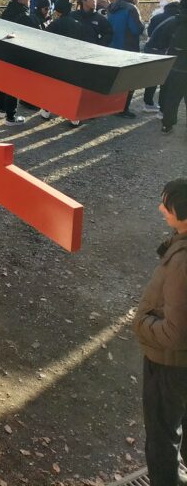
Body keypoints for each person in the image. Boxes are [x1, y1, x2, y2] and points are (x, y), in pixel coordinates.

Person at [133, 179, 187, 485]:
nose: (161, 209)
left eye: (167, 206)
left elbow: (174, 333)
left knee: (162, 436)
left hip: (169, 363)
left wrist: (142, 324)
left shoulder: (181, 262)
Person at [38, 0, 83, 124]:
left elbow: (44, 38)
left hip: (56, 60)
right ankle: (74, 118)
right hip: (73, 60)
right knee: (71, 90)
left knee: (53, 87)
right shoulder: (77, 24)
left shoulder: (55, 24)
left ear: (58, 11)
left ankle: (46, 111)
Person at [0, 0, 36, 125]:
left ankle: (1, 109)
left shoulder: (6, 12)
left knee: (2, 81)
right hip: (17, 54)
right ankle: (11, 117)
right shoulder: (25, 16)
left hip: (3, 52)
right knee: (13, 85)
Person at [108, 0, 146, 118]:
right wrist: (142, 26)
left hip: (112, 47)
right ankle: (122, 109)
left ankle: (111, 106)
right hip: (128, 49)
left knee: (114, 79)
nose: (138, 1)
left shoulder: (112, 7)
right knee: (130, 80)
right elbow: (136, 29)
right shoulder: (131, 9)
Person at [143, 0, 182, 113]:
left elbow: (150, 32)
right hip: (165, 51)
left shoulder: (157, 17)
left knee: (152, 78)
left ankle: (148, 103)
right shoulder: (177, 20)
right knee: (165, 81)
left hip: (150, 49)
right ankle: (162, 108)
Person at [159, 0, 187, 136]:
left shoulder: (173, 21)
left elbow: (162, 40)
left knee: (172, 98)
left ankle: (167, 125)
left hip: (175, 66)